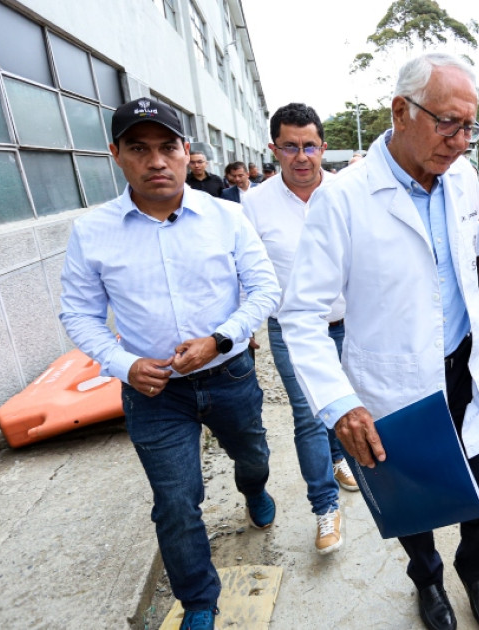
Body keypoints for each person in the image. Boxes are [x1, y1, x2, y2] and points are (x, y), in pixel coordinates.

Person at [280, 53, 479, 630]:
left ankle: (474, 572)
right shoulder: (344, 198)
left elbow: (466, 244)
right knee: (414, 504)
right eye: (447, 123)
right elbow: (301, 315)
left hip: (461, 368)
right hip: (393, 383)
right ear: (400, 111)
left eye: (469, 127)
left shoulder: (460, 179)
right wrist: (338, 404)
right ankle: (428, 580)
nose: (461, 141)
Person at [59, 98, 281, 630]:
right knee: (176, 501)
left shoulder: (227, 217)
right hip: (153, 393)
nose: (156, 161)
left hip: (228, 375)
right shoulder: (93, 232)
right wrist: (123, 363)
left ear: (186, 153)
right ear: (116, 155)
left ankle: (253, 488)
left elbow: (264, 288)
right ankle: (200, 600)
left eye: (167, 147)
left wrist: (220, 338)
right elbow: (79, 314)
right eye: (139, 149)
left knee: (252, 454)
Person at [242, 102, 358, 556]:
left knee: (343, 401)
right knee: (309, 415)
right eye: (290, 147)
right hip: (290, 330)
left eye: (310, 145)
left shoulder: (348, 192)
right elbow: (246, 271)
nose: (301, 156)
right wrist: (244, 324)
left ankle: (338, 457)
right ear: (274, 149)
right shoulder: (254, 205)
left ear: (323, 147)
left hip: (351, 323)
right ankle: (324, 509)